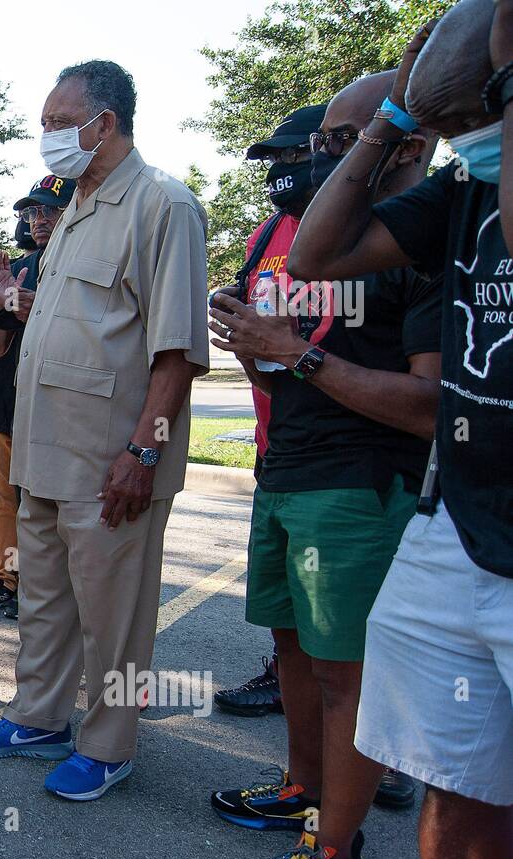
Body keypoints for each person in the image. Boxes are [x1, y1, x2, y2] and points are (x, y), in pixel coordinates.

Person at [288, 0, 513, 859]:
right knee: (456, 784)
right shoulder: (458, 186)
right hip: (458, 520)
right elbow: (316, 255)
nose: (460, 138)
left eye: (469, 118)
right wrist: (388, 119)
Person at [0, 62, 209, 801]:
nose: (48, 136)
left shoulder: (163, 204)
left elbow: (177, 351)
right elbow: (89, 329)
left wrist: (144, 450)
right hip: (43, 454)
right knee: (43, 601)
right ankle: (37, 717)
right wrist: (15, 304)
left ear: (107, 123)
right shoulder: (74, 209)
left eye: (60, 121)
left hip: (111, 463)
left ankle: (108, 745)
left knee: (113, 619)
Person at [208, 70, 441, 859]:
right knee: (295, 651)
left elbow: (427, 403)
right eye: (320, 147)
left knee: (348, 675)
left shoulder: (425, 244)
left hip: (360, 487)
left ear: (405, 146)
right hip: (285, 473)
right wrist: (254, 340)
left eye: (340, 145)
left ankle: (336, 843)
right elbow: (289, 356)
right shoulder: (315, 246)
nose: (322, 163)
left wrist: (293, 352)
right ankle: (301, 790)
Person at [209, 105, 326, 719]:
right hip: (272, 439)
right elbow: (252, 311)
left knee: (346, 621)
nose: (282, 170)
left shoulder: (362, 227)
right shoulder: (267, 231)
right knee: (285, 604)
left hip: (347, 457)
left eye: (294, 156)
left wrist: (287, 346)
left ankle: (375, 754)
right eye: (274, 160)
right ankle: (284, 678)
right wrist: (230, 308)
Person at [0, 174, 75, 621]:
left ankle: (48, 587)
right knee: (6, 504)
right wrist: (2, 311)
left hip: (55, 414)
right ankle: (8, 582)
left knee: (49, 507)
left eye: (51, 208)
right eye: (32, 211)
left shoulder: (82, 268)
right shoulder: (13, 270)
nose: (40, 219)